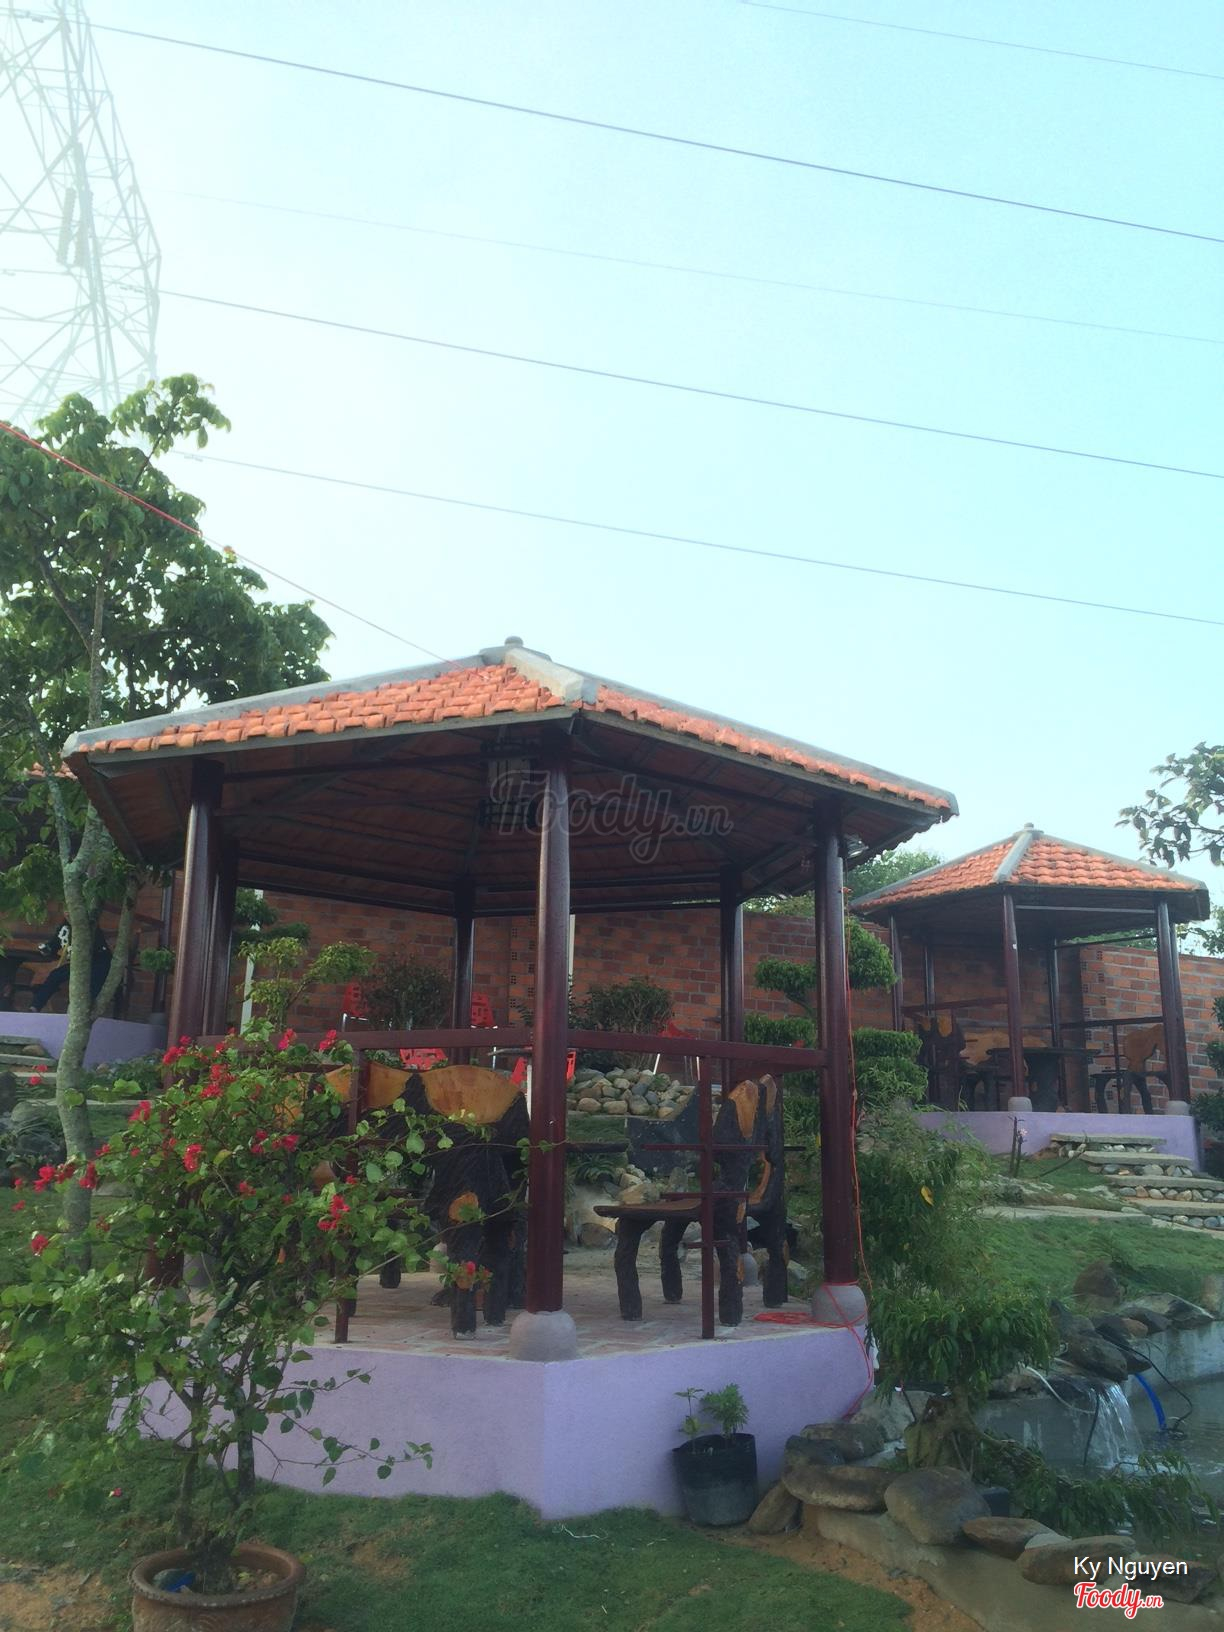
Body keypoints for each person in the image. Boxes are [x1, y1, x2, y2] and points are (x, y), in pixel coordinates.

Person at [30, 921, 112, 1012]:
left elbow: (95, 948)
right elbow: (54, 945)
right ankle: (35, 1007)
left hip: (98, 963)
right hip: (78, 964)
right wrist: (46, 949)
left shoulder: (89, 925)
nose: (67, 914)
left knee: (91, 987)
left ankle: (83, 1011)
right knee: (55, 975)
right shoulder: (65, 927)